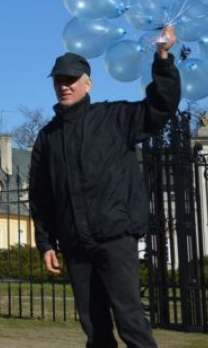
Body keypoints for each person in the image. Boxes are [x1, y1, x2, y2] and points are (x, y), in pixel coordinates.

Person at [29, 26, 180, 348]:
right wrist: (46, 244)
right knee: (94, 325)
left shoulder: (115, 117)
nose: (64, 86)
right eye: (59, 80)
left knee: (131, 320)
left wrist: (163, 57)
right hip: (74, 242)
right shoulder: (48, 136)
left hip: (115, 236)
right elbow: (41, 196)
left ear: (88, 83)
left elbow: (161, 106)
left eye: (71, 79)